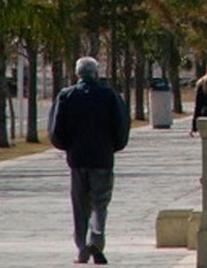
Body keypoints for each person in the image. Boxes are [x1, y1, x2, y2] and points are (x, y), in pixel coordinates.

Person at [49, 57, 130, 265]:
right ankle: (96, 238)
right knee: (100, 203)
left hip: (77, 159)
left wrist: (67, 147)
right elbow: (121, 126)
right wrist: (115, 146)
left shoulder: (67, 96)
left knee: (79, 205)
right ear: (96, 73)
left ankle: (82, 249)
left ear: (77, 74)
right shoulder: (109, 95)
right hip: (102, 158)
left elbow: (56, 130)